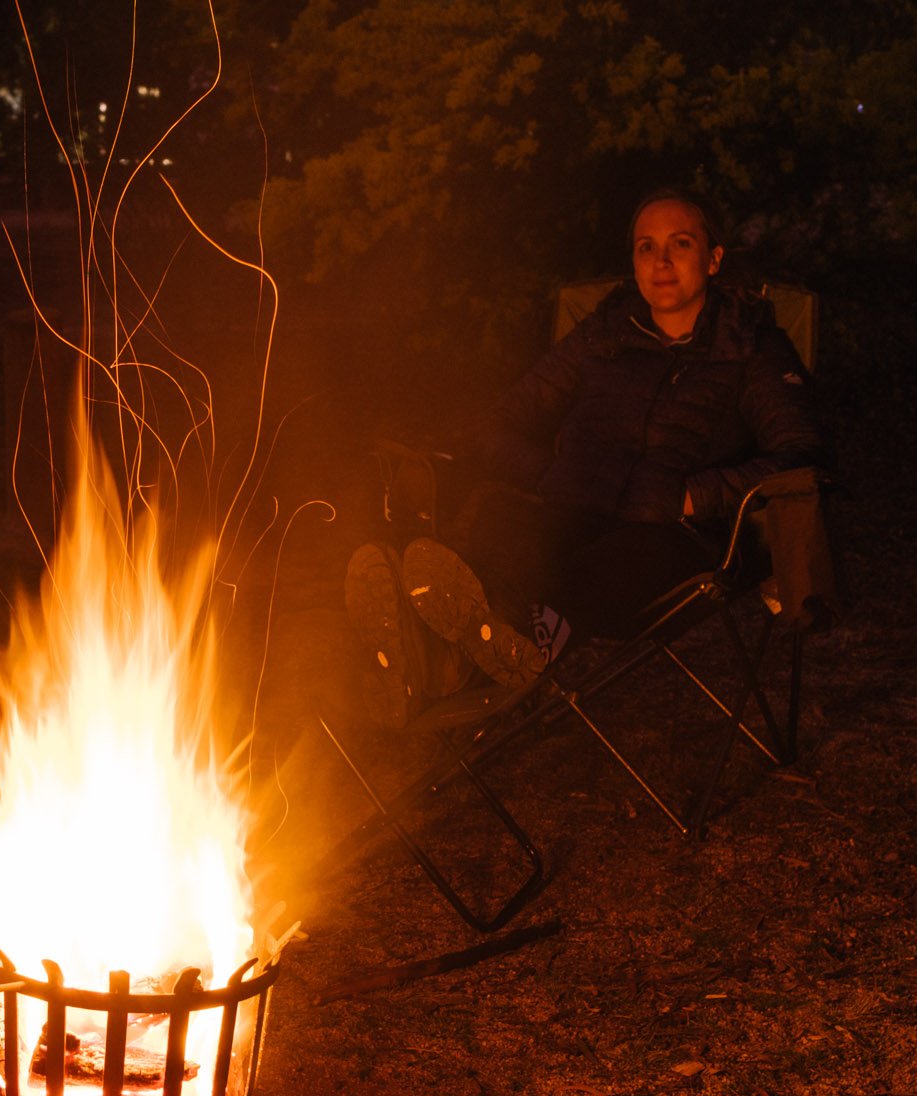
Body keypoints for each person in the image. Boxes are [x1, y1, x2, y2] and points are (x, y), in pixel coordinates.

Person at [346, 187, 825, 726]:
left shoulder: (751, 344)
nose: (660, 261)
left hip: (674, 532)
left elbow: (797, 456)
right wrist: (549, 474)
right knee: (501, 520)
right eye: (646, 247)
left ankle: (458, 656)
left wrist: (692, 496)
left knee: (579, 572)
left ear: (714, 259)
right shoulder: (605, 333)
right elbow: (503, 422)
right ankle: (446, 657)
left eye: (680, 244)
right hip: (574, 506)